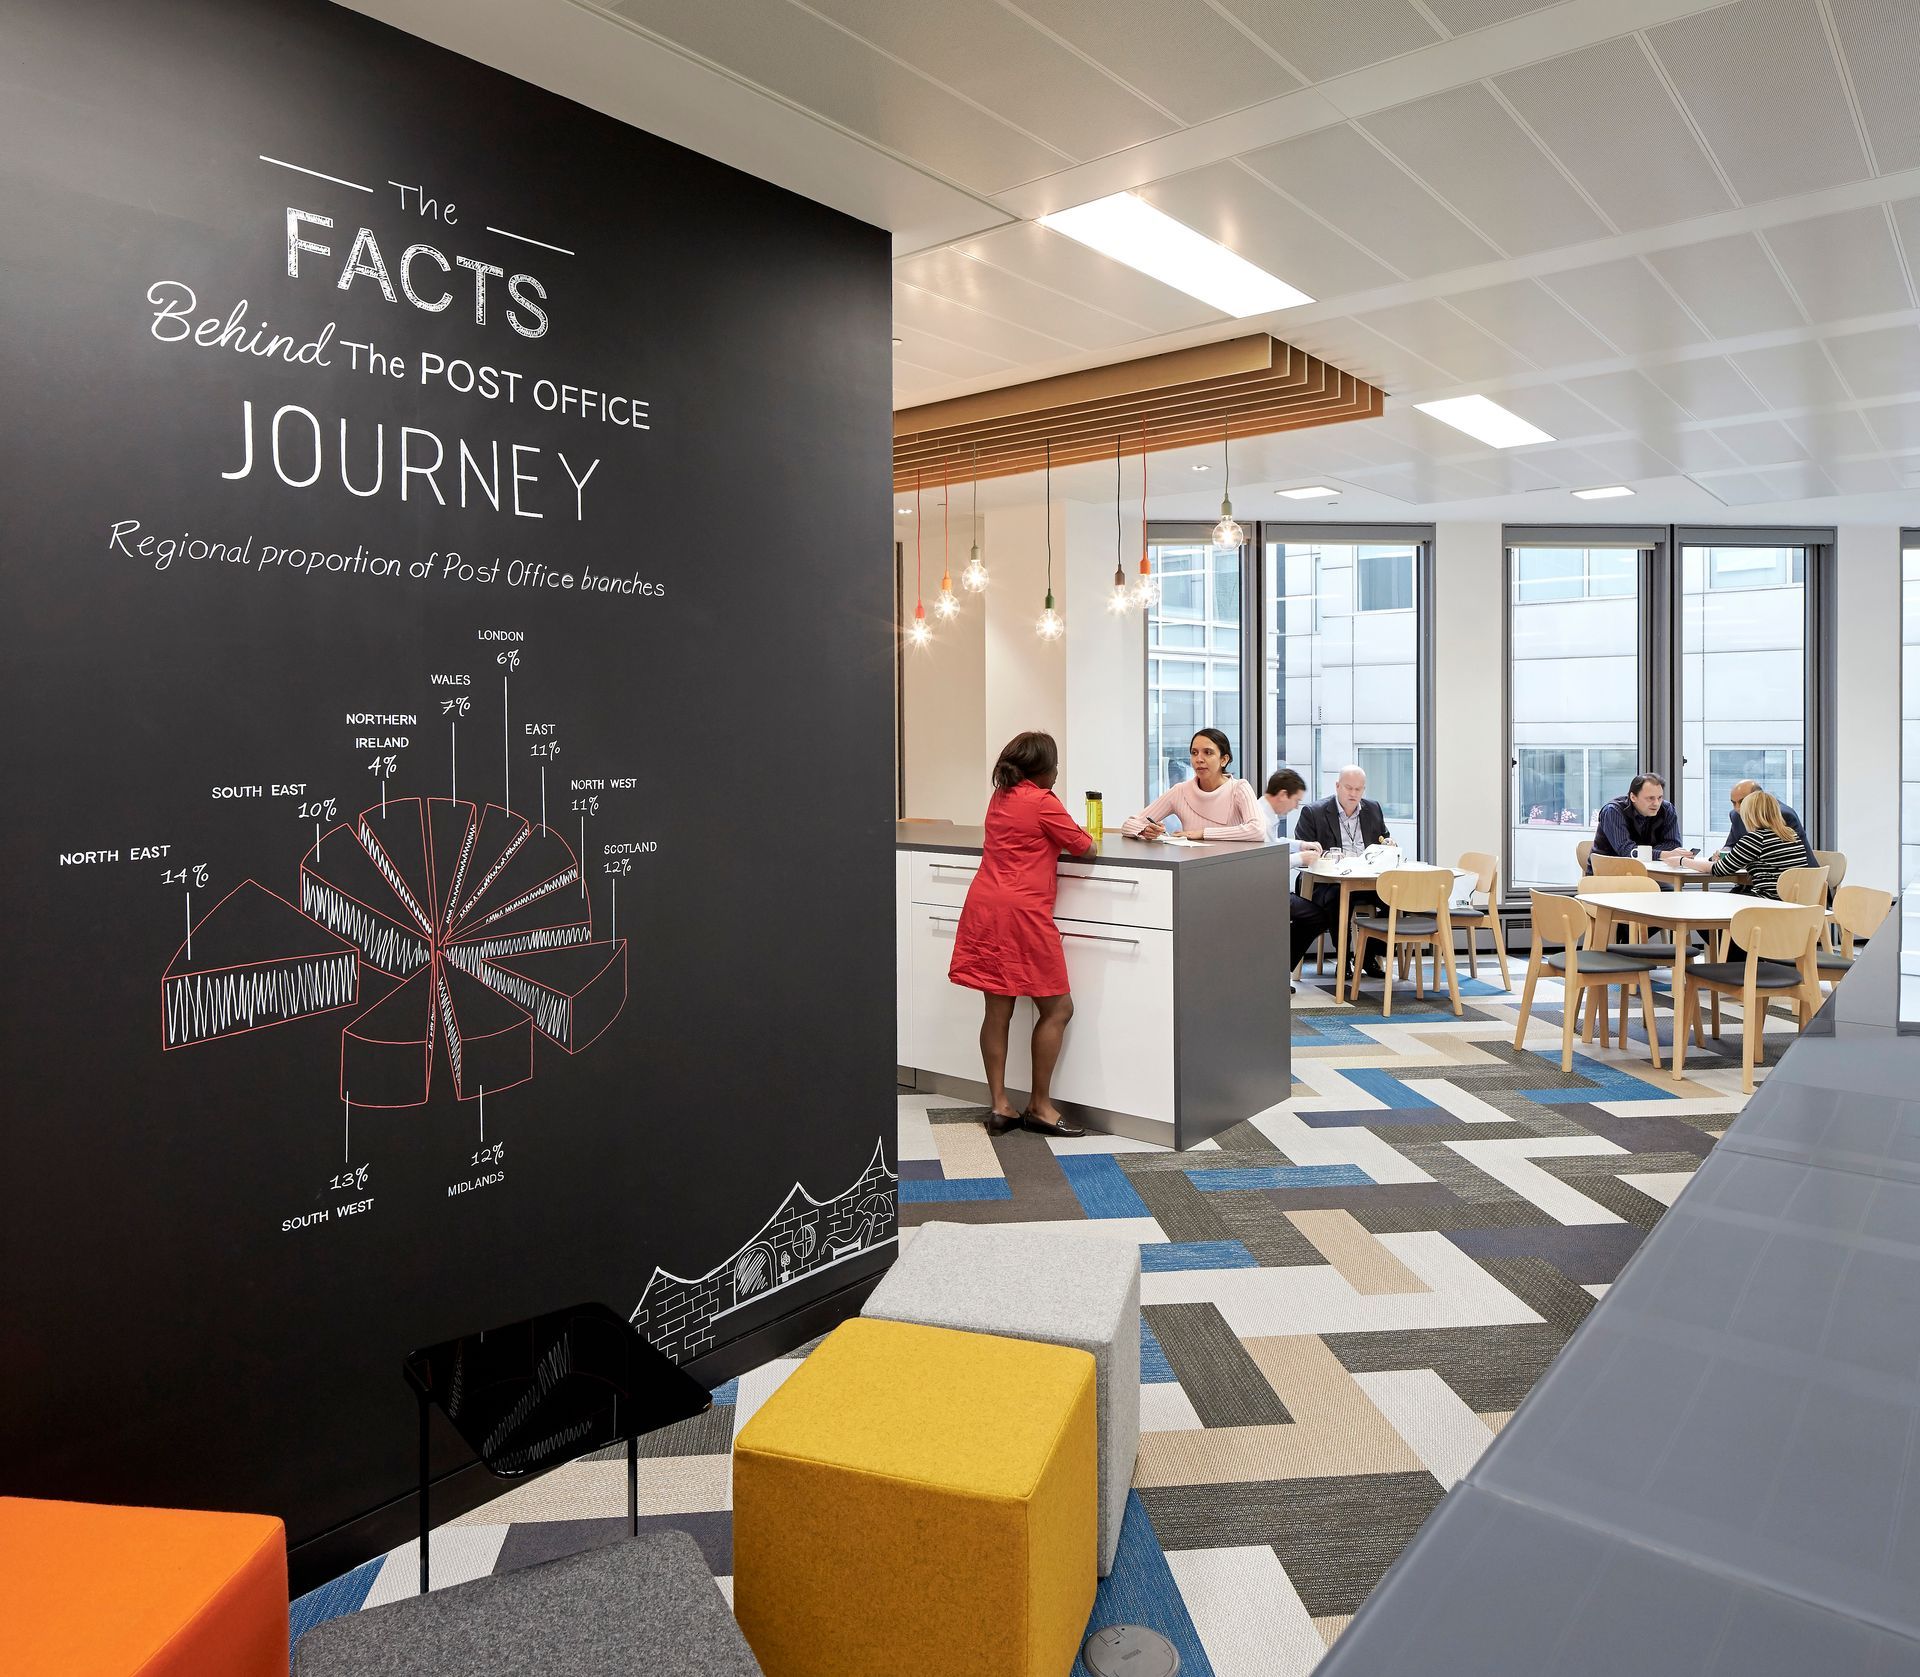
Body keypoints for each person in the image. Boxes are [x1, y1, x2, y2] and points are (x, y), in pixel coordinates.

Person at [948, 731, 1094, 1139]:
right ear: (1042, 769)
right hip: (1023, 913)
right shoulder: (1043, 802)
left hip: (984, 908)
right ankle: (1040, 1107)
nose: (1058, 771)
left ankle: (1000, 1106)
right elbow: (1084, 847)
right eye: (1055, 765)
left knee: (997, 1012)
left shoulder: (1001, 796)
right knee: (1058, 1008)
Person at [1293, 765, 1393, 978]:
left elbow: (1383, 838)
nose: (1353, 793)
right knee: (1339, 897)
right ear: (1337, 786)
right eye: (1348, 788)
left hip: (1367, 881)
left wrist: (1389, 844)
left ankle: (1367, 954)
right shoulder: (1313, 812)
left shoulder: (1373, 809)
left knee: (1396, 896)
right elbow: (1305, 853)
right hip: (1327, 883)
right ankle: (1344, 958)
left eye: (1358, 789)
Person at [1121, 728, 1266, 842]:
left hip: (1232, 867)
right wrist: (1145, 830)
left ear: (1224, 760)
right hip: (1190, 867)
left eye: (1208, 753)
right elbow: (1129, 824)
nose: (1199, 759)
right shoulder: (1180, 791)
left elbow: (1258, 830)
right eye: (1194, 753)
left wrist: (1202, 833)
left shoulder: (1239, 788)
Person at [1681, 788, 1814, 901]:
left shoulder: (1756, 839)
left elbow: (1719, 870)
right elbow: (1771, 862)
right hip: (1795, 904)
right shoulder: (1791, 835)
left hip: (1767, 904)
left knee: (1707, 906)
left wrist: (1682, 861)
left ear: (1749, 814)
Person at [1261, 769, 1330, 986]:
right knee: (1317, 917)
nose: (1296, 807)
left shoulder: (1264, 813)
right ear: (1283, 795)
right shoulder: (1260, 820)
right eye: (1296, 801)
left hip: (1265, 888)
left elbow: (1271, 844)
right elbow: (1263, 861)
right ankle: (1277, 971)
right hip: (1263, 892)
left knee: (1313, 915)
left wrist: (1300, 845)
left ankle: (1277, 969)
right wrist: (1300, 858)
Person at [1590, 772, 1688, 868]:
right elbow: (1626, 851)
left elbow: (1673, 844)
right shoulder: (1613, 811)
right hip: (1609, 871)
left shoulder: (1667, 809)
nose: (1656, 803)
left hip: (1652, 869)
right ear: (1633, 797)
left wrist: (1648, 853)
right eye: (1650, 798)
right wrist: (1663, 854)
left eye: (1659, 798)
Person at [1725, 778, 1809, 853]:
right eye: (1733, 803)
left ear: (1758, 798)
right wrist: (1724, 852)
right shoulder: (1736, 815)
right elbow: (1730, 846)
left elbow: (1790, 854)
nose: (1737, 808)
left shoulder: (1782, 815)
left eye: (1742, 802)